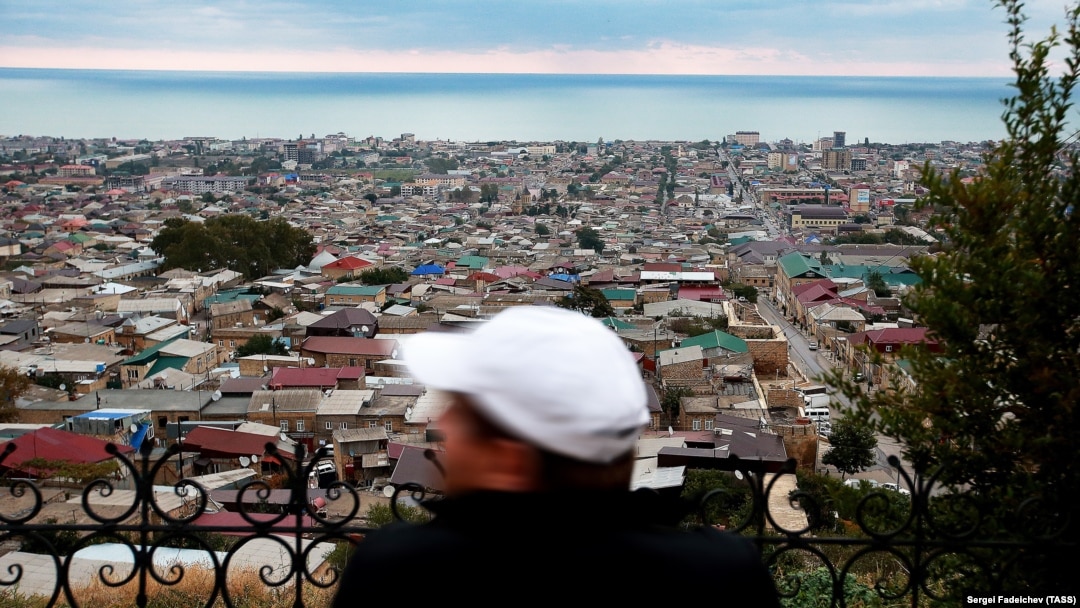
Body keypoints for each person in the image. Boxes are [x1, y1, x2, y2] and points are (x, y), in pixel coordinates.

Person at [332, 306, 779, 604]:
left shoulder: (402, 576)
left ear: (512, 456)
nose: (445, 425)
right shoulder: (719, 578)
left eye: (464, 414)